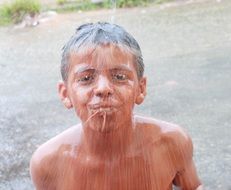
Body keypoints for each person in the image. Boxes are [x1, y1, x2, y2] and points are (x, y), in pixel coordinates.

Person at [30, 22, 202, 190]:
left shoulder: (171, 144)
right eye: (85, 78)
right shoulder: (48, 164)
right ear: (65, 93)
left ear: (140, 89)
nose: (103, 89)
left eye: (119, 77)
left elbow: (194, 187)